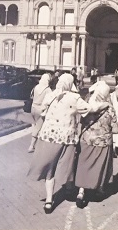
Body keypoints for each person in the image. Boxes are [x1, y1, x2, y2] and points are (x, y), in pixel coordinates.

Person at [29, 73, 85, 213]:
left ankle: (49, 201)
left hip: (48, 136)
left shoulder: (50, 95)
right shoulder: (75, 98)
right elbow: (87, 109)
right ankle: (69, 188)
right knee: (66, 166)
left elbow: (42, 111)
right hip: (67, 137)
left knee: (50, 169)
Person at [69, 82, 116, 207]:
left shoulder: (87, 106)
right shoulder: (110, 108)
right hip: (103, 142)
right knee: (100, 166)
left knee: (84, 165)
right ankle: (99, 189)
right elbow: (116, 129)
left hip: (86, 140)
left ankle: (81, 191)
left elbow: (80, 121)